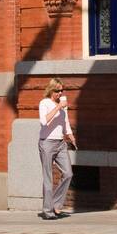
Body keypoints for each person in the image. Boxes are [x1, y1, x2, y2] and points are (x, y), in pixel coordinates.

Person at [37, 78, 75, 220]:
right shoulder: (44, 103)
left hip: (60, 143)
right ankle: (48, 211)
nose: (60, 93)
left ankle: (56, 205)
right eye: (57, 90)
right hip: (47, 142)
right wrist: (58, 107)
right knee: (48, 177)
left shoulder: (62, 105)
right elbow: (44, 121)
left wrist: (71, 137)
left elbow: (65, 123)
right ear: (51, 90)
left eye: (61, 90)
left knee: (68, 173)